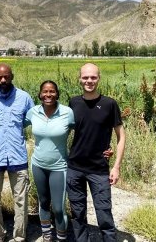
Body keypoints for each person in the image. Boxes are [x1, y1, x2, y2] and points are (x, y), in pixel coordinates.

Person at [67, 63, 126, 242]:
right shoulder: (73, 102)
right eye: (85, 77)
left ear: (99, 78)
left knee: (104, 214)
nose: (89, 81)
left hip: (99, 170)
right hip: (75, 168)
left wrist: (116, 167)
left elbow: (121, 136)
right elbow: (64, 131)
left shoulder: (109, 104)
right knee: (77, 214)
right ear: (80, 79)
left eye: (93, 77)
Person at [0, 63, 34, 242]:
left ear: (12, 76)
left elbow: (31, 121)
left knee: (21, 199)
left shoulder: (24, 98)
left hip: (17, 156)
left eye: (6, 77)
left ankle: (19, 236)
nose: (3, 80)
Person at [24, 80, 74, 242]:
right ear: (40, 94)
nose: (48, 95)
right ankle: (47, 235)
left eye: (52, 91)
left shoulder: (67, 112)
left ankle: (61, 238)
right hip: (38, 165)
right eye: (45, 91)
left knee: (59, 208)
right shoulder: (33, 112)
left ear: (57, 94)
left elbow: (84, 132)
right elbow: (16, 126)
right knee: (43, 202)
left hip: (59, 167)